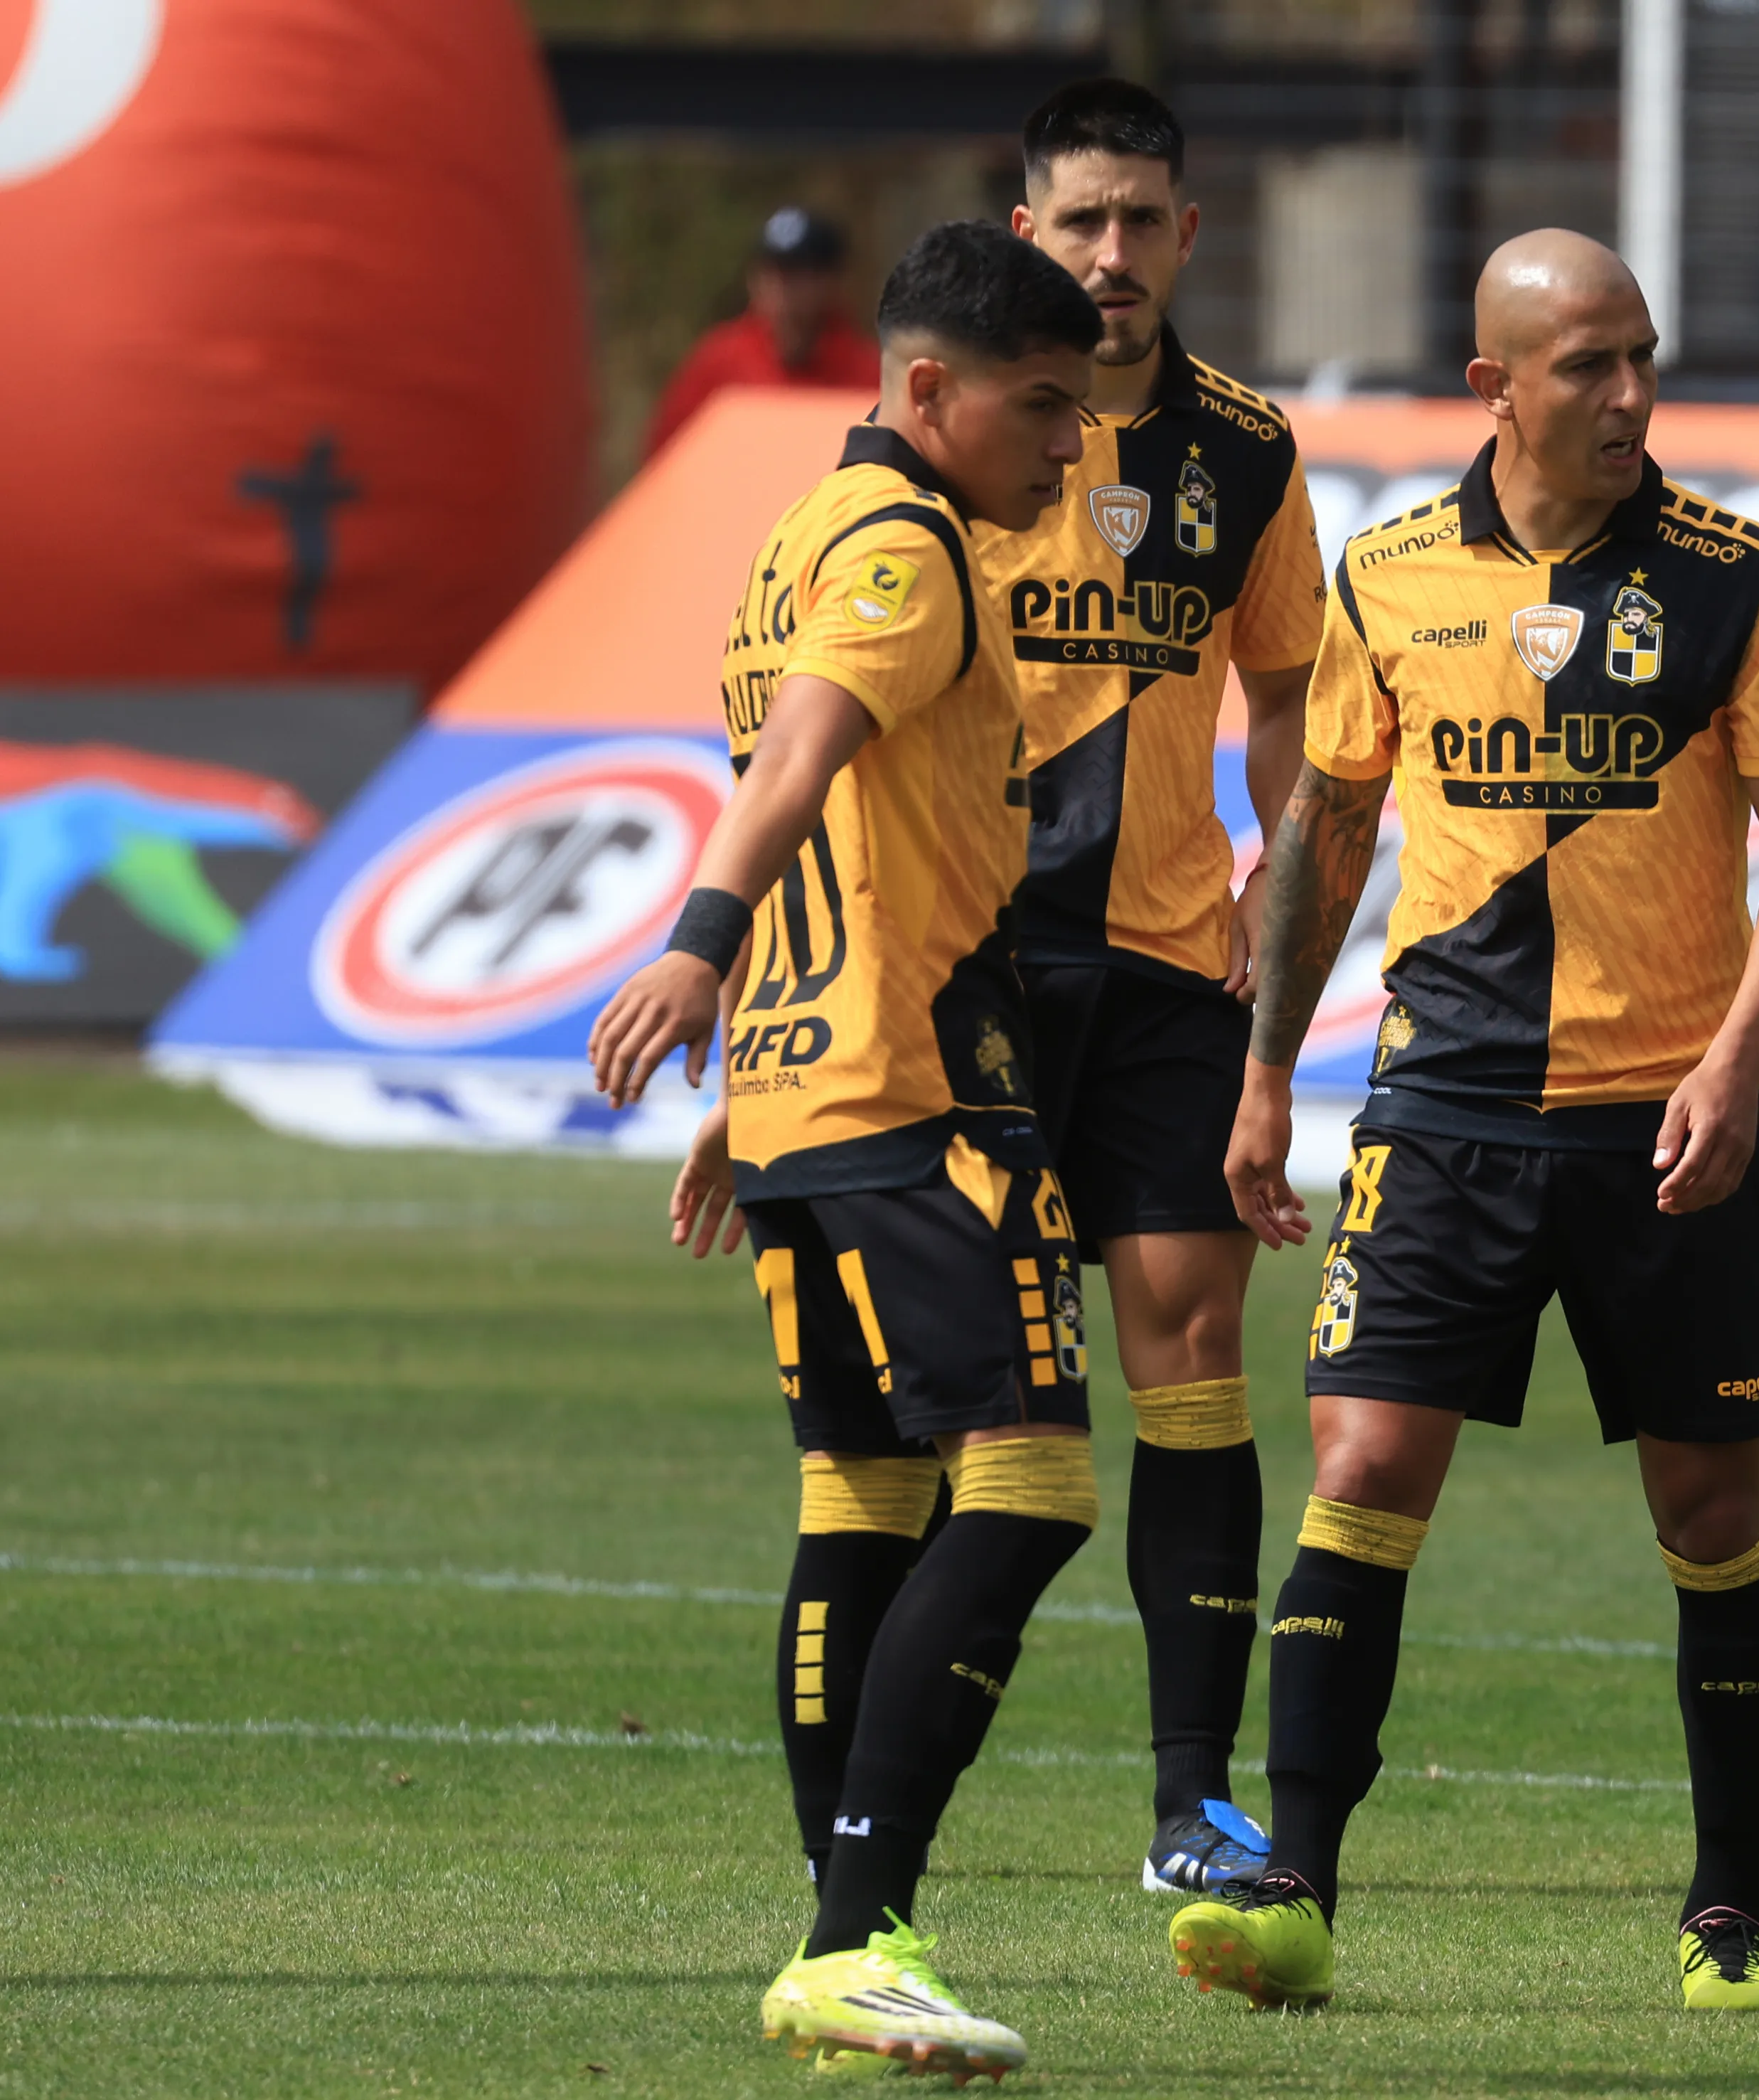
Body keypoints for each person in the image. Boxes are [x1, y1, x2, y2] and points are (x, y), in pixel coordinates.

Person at [1156, 228, 1759, 2015]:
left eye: (1641, 357)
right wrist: (1262, 1067)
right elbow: (1324, 829)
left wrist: (1736, 1062)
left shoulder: (1736, 575)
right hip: (1444, 1101)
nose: (1627, 394)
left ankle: (1726, 1912)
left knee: (1711, 1504)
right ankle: (1295, 1886)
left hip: (1663, 1114)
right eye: (1586, 365)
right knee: (1364, 1465)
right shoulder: (1386, 575)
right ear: (1493, 387)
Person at [587, 218, 1104, 2072]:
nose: (1068, 447)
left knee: (865, 1503)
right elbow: (797, 762)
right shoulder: (903, 545)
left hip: (818, 1091)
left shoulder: (796, 538)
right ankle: (852, 1926)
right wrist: (697, 947)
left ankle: (854, 1930)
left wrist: (754, 1074)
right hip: (919, 1089)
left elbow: (835, 812)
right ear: (925, 393)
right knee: (1030, 1490)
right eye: (1043, 409)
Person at [985, 75, 1327, 1902]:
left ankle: (1191, 1802)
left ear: (1189, 235)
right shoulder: (947, 431)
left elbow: (1293, 704)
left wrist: (1283, 880)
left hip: (1169, 968)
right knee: (971, 1408)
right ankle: (880, 1806)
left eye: (1141, 222)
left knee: (1194, 1357)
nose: (1111, 255)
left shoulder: (1249, 454)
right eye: (1079, 220)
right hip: (971, 964)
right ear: (1026, 224)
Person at [643, 207, 884, 462]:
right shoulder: (719, 361)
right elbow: (665, 455)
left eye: (797, 273)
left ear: (831, 281)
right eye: (771, 271)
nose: (780, 286)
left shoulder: (868, 372)